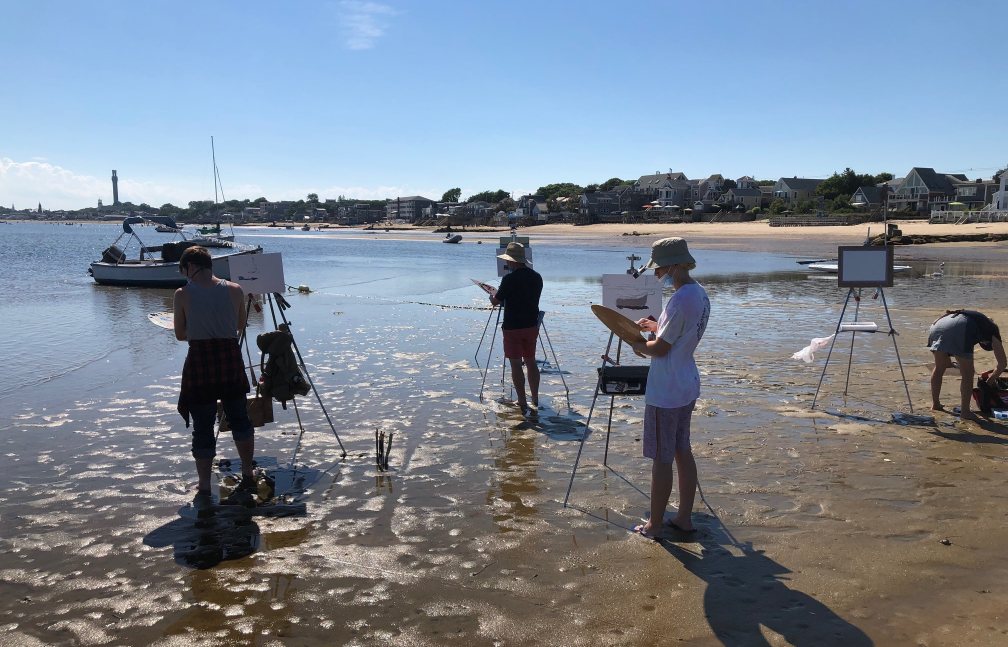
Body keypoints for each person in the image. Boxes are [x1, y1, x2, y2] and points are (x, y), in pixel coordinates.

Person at [630, 237, 710, 538]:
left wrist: (637, 342)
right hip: (686, 381)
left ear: (674, 265)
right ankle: (684, 518)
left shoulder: (681, 299)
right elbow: (678, 332)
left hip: (667, 388)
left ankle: (655, 524)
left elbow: (661, 349)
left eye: (661, 268)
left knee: (662, 458)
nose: (658, 274)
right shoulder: (698, 292)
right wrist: (655, 328)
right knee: (681, 450)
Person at [173, 246, 256, 504]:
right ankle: (247, 471)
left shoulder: (182, 294)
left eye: (183, 270)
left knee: (203, 426)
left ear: (189, 267)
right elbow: (241, 325)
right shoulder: (234, 290)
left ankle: (204, 486)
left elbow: (180, 334)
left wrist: (199, 325)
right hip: (229, 358)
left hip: (200, 360)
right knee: (240, 419)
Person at [490, 242, 543, 417]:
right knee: (531, 361)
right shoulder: (537, 277)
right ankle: (535, 398)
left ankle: (521, 400)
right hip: (531, 325)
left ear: (512, 261)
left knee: (515, 364)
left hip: (512, 326)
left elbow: (496, 301)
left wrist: (492, 295)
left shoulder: (509, 279)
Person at [927, 309, 1006, 422]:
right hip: (960, 328)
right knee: (968, 374)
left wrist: (951, 362)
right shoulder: (992, 329)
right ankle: (965, 411)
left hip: (937, 326)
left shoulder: (975, 317)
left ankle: (935, 404)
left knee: (939, 367)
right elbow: (1002, 363)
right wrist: (990, 381)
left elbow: (949, 319)